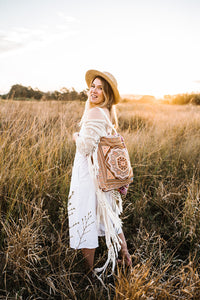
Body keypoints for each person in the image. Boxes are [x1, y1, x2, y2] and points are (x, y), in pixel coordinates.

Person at [68, 69, 132, 276]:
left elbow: (85, 148)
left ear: (107, 94)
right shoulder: (105, 111)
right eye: (93, 86)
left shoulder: (95, 112)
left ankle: (88, 274)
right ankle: (125, 255)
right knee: (108, 214)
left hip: (90, 174)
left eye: (100, 88)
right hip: (100, 173)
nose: (94, 91)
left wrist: (75, 136)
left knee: (89, 217)